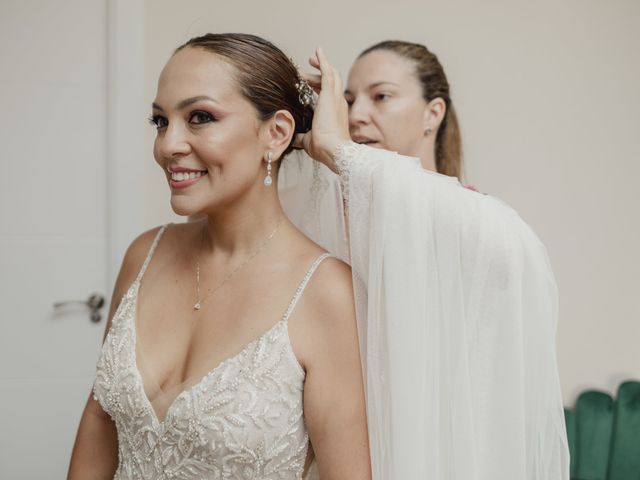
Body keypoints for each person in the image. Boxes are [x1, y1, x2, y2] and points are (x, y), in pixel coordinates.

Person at [67, 33, 371, 480]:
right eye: (160, 121)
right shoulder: (144, 254)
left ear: (277, 133)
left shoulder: (326, 293)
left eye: (200, 117)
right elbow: (99, 422)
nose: (168, 145)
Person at [284, 41, 570, 479]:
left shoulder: (477, 226)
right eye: (347, 100)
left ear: (433, 113)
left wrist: (340, 152)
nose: (357, 114)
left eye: (380, 96)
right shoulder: (319, 222)